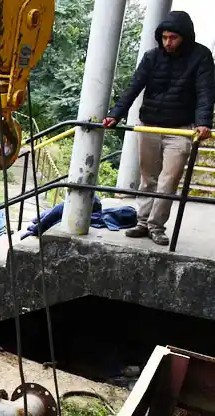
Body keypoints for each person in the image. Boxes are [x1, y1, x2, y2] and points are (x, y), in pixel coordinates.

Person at [104, 10, 214, 246]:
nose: (168, 42)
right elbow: (134, 86)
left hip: (180, 130)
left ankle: (156, 226)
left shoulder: (201, 56)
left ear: (185, 37)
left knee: (168, 182)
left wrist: (204, 123)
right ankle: (142, 222)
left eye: (173, 38)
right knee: (148, 179)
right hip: (149, 125)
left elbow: (205, 91)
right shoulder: (151, 57)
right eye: (164, 37)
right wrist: (115, 114)